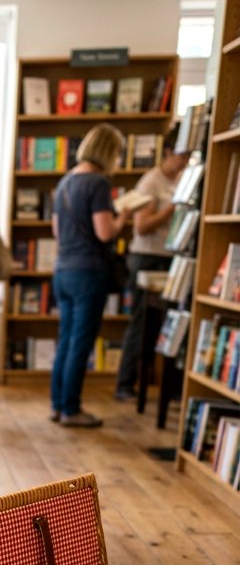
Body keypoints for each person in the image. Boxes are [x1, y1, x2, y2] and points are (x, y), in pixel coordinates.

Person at [50, 124, 132, 427]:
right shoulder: (98, 183)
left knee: (66, 340)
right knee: (80, 343)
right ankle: (71, 410)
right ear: (109, 152)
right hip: (88, 272)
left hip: (63, 269)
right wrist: (123, 216)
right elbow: (104, 231)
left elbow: (57, 232)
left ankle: (58, 405)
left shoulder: (65, 182)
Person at [114, 125, 191, 401]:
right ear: (169, 152)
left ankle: (165, 387)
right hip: (146, 258)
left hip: (171, 259)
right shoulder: (151, 181)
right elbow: (142, 226)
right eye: (182, 156)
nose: (185, 161)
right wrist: (173, 209)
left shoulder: (181, 180)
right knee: (141, 323)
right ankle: (125, 384)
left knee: (167, 325)